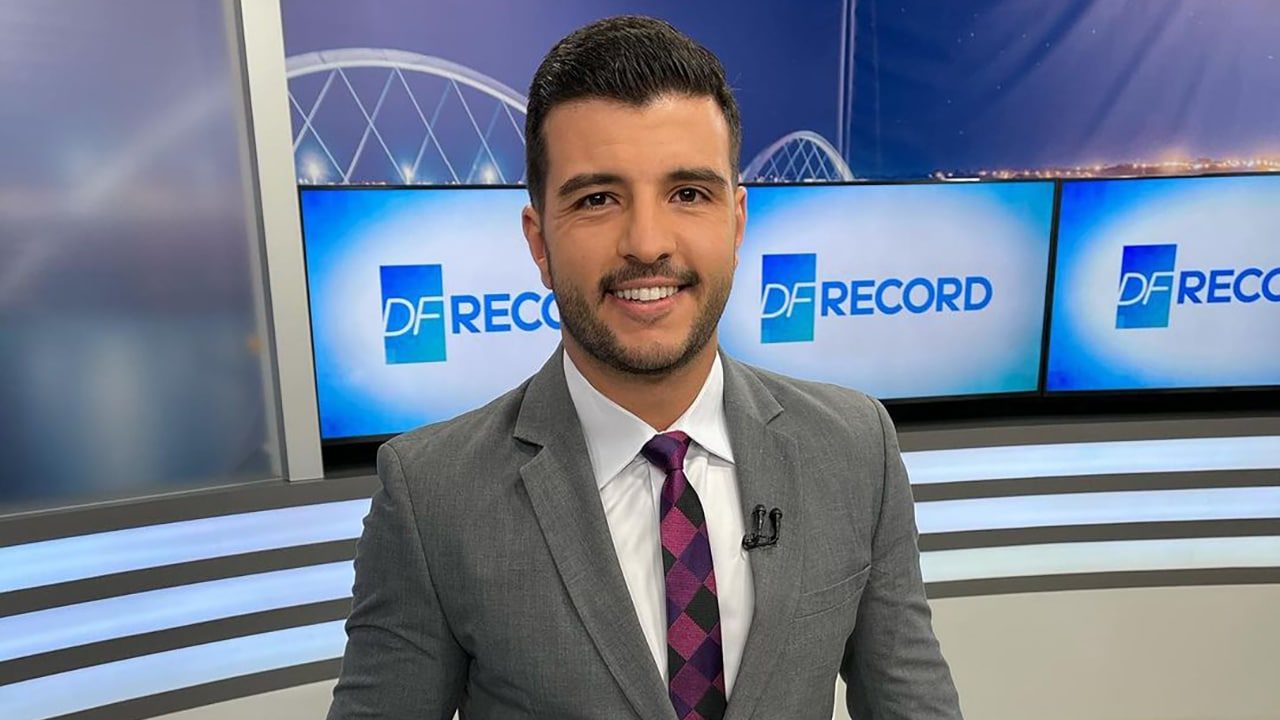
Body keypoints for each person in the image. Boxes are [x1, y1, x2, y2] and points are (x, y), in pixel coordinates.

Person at [327, 15, 962, 720]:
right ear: (539, 242)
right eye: (597, 199)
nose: (648, 243)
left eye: (688, 193)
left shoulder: (854, 447)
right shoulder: (431, 496)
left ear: (737, 221)